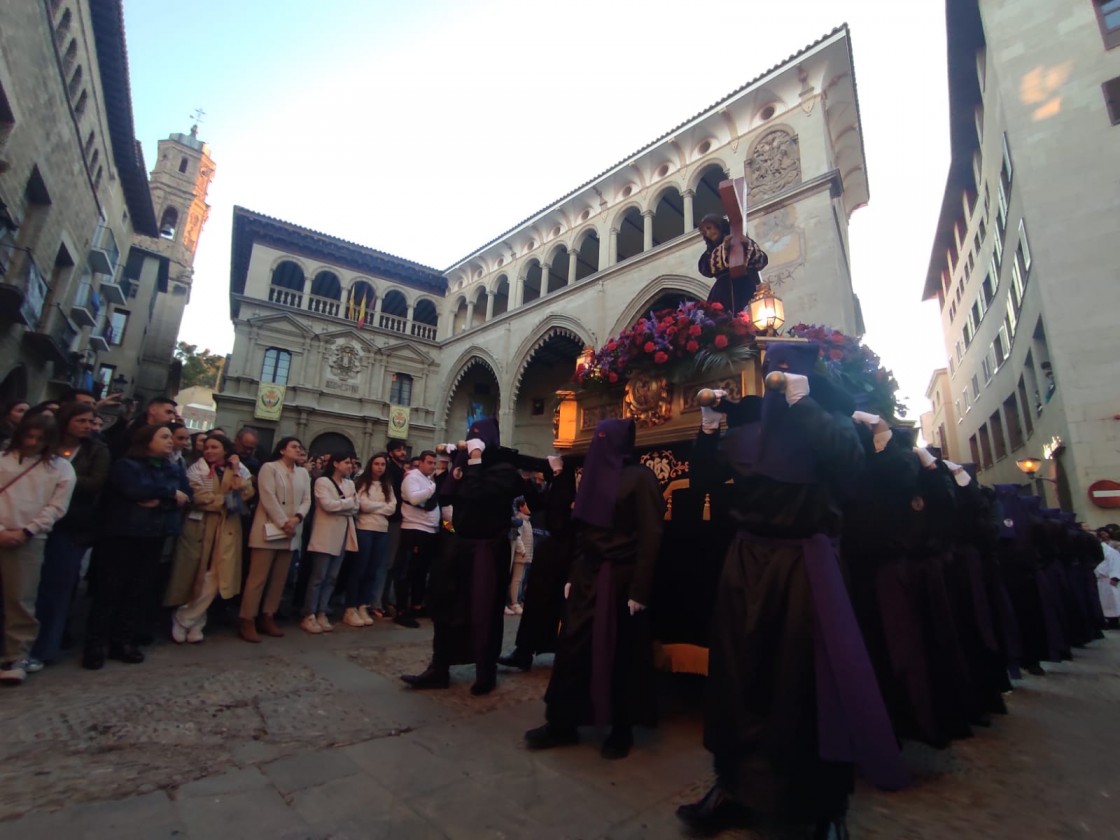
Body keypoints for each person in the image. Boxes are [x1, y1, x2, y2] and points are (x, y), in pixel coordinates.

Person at [676, 343, 906, 838]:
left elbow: (851, 468)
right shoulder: (750, 434)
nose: (777, 378)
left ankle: (822, 807)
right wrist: (710, 426)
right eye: (772, 371)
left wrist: (807, 406)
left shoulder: (832, 426)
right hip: (747, 564)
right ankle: (734, 787)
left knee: (806, 685)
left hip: (807, 567)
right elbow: (705, 482)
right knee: (740, 679)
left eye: (788, 370)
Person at [524, 418, 662, 759]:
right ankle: (563, 722)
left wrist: (640, 590)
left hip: (623, 580)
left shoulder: (641, 478)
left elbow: (651, 535)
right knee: (573, 648)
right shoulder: (592, 477)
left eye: (604, 438)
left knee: (623, 654)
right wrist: (573, 574)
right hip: (588, 575)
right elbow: (582, 533)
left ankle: (621, 728)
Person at [402, 419, 527, 695]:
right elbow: (447, 497)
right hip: (458, 545)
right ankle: (440, 667)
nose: (472, 442)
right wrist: (450, 467)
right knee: (447, 608)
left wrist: (474, 461)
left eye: (478, 438)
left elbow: (478, 492)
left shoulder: (505, 470)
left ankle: (486, 671)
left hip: (487, 548)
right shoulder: (465, 463)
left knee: (483, 611)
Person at [83, 424, 189, 669]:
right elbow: (134, 489)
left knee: (138, 590)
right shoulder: (126, 465)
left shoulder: (171, 468)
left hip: (154, 536)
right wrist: (169, 493)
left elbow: (185, 495)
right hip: (122, 536)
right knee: (109, 591)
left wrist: (164, 501)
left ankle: (123, 641)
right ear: (146, 440)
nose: (170, 441)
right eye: (163, 437)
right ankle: (96, 644)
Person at [31, 402, 109, 666]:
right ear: (66, 421)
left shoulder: (97, 450)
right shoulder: (44, 444)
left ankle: (43, 649)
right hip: (32, 521)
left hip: (71, 527)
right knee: (24, 588)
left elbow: (96, 483)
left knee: (57, 590)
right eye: (82, 421)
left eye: (91, 421)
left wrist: (61, 479)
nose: (88, 426)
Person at [0, 413, 76, 685]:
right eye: (29, 436)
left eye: (39, 438)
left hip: (30, 538)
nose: (32, 442)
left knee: (21, 599)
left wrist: (27, 530)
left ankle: (16, 655)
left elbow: (57, 506)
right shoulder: (4, 460)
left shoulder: (61, 468)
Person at [165, 434, 255, 643]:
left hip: (226, 529)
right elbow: (197, 497)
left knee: (217, 576)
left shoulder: (237, 469)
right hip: (200, 528)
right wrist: (225, 499)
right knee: (196, 574)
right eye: (207, 448)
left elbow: (247, 492)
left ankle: (185, 618)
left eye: (215, 447)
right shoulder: (196, 470)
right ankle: (195, 620)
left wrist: (235, 477)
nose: (209, 451)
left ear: (225, 450)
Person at [240, 437, 311, 642]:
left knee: (279, 579)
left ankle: (268, 614)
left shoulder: (303, 473)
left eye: (300, 447)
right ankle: (247, 618)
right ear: (282, 450)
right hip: (269, 529)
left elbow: (307, 499)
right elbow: (268, 496)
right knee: (258, 578)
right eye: (294, 447)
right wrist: (283, 521)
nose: (298, 450)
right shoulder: (269, 468)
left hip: (291, 531)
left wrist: (297, 518)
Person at [301, 451, 359, 634]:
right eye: (346, 462)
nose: (350, 466)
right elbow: (327, 505)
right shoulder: (322, 482)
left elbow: (356, 507)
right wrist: (348, 503)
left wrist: (344, 504)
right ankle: (309, 612)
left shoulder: (350, 484)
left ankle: (322, 610)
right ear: (335, 464)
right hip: (325, 533)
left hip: (342, 534)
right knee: (319, 575)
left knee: (332, 577)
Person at [391, 450, 440, 629]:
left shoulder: (429, 480)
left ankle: (416, 605)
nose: (432, 466)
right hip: (413, 528)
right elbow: (413, 497)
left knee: (421, 570)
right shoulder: (412, 477)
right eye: (429, 462)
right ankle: (401, 610)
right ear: (420, 462)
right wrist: (432, 488)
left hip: (429, 530)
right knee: (406, 570)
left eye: (434, 463)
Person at [348, 452, 396, 625]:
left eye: (383, 464)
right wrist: (381, 506)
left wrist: (376, 507)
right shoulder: (362, 482)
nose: (380, 467)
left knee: (373, 570)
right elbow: (362, 505)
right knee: (360, 568)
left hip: (381, 530)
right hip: (364, 528)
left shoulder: (387, 485)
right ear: (371, 465)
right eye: (377, 464)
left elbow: (392, 507)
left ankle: (363, 605)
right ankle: (351, 606)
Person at [696, 212, 768, 313]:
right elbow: (705, 269)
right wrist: (723, 248)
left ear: (719, 225)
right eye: (705, 232)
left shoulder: (742, 240)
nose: (708, 233)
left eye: (709, 228)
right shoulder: (708, 254)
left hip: (747, 285)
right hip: (723, 292)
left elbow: (762, 261)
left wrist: (747, 244)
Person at [102, 396, 178, 460]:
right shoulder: (133, 430)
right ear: (153, 410)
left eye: (174, 414)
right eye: (168, 412)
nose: (172, 417)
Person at [382, 439, 409, 615]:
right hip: (390, 519)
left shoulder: (400, 470)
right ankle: (379, 600)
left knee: (394, 563)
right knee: (386, 563)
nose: (403, 453)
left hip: (401, 519)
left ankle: (387, 599)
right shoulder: (390, 470)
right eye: (399, 450)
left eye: (404, 449)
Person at [506, 496, 533, 615]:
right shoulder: (520, 521)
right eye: (526, 504)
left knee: (520, 579)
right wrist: (522, 550)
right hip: (520, 554)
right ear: (521, 507)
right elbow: (517, 537)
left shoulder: (527, 521)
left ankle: (517, 600)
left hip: (525, 554)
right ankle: (514, 602)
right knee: (516, 579)